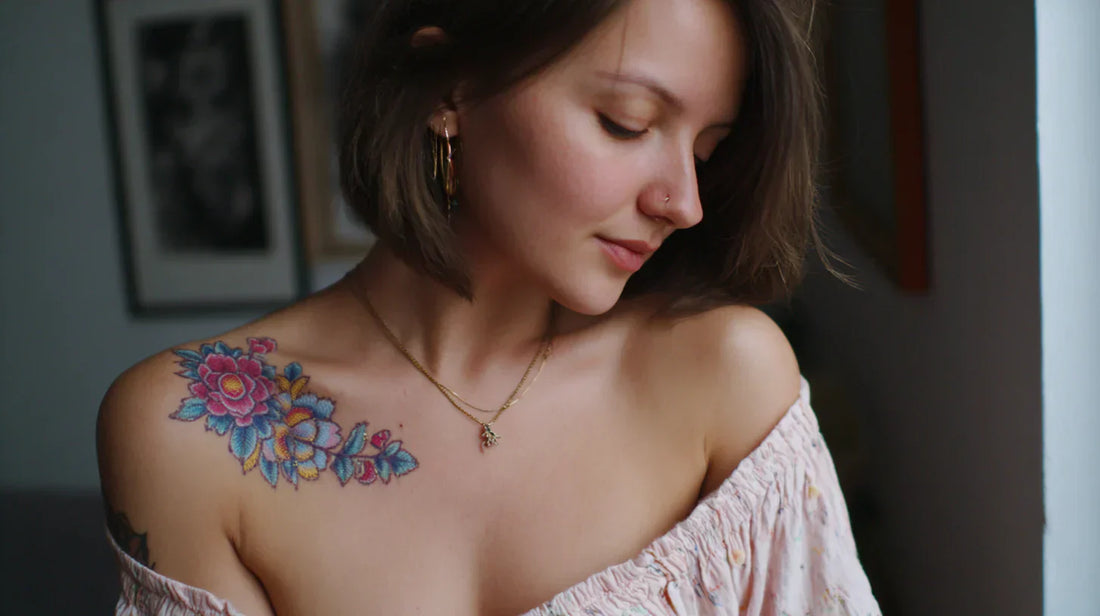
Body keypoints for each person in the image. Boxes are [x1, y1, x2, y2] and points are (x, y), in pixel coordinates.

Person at [97, 0, 881, 613]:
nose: (684, 202)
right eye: (627, 123)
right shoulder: (188, 434)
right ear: (452, 87)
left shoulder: (724, 381)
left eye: (707, 150)